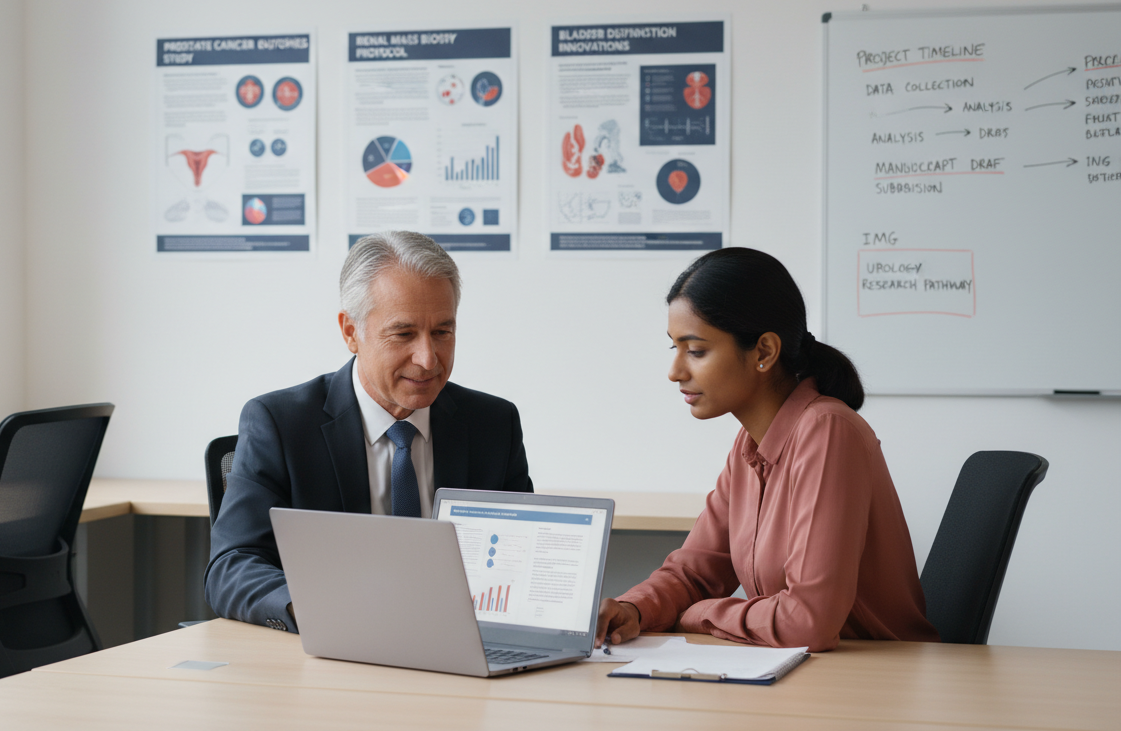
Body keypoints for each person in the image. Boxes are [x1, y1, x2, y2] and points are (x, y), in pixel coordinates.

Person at [594, 247, 939, 652]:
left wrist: (697, 614)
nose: (675, 372)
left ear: (763, 352)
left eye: (697, 350)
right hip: (806, 675)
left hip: (875, 678)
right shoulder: (750, 444)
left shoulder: (828, 432)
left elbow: (806, 621)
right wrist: (634, 609)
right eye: (675, 348)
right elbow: (695, 574)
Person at [204, 231, 533, 632]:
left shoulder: (493, 424)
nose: (428, 359)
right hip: (335, 651)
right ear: (350, 332)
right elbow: (231, 567)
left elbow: (520, 558)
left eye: (443, 332)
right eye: (404, 333)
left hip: (456, 644)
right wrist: (316, 610)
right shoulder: (281, 424)